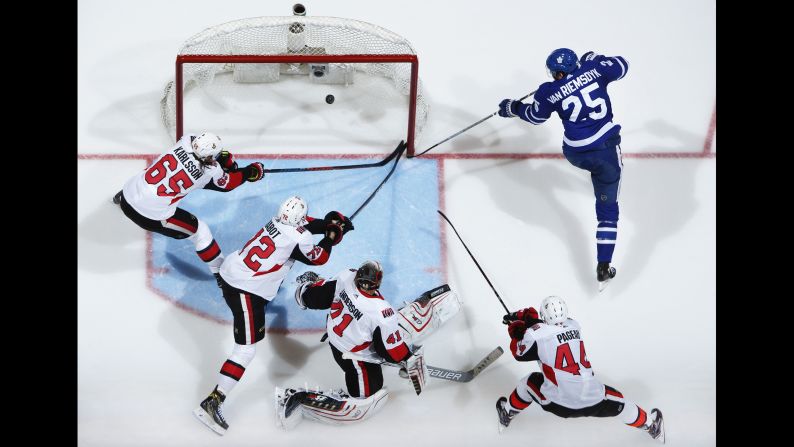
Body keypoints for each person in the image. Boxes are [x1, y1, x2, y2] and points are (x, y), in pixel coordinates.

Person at [192, 196, 353, 435]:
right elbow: (319, 257)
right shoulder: (302, 237)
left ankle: (216, 398)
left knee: (270, 283)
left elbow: (305, 223)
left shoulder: (276, 220)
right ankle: (213, 401)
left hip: (231, 271)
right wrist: (331, 236)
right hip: (245, 290)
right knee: (246, 350)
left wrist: (327, 224)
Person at [274, 261, 463, 429]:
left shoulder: (347, 275)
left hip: (335, 338)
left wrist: (306, 289)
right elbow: (388, 351)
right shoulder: (382, 312)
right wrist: (406, 358)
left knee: (387, 328)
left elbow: (316, 297)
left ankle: (403, 322)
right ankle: (296, 399)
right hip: (354, 357)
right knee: (367, 400)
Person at [498, 49, 629, 290]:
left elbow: (535, 117)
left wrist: (513, 107)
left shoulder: (548, 91)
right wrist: (596, 59)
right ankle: (603, 264)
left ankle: (593, 173)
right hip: (606, 152)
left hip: (575, 153)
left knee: (591, 166)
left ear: (557, 72)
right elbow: (623, 65)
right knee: (607, 209)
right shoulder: (595, 69)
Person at [495, 296, 665, 443]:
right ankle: (652, 427)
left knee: (527, 383)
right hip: (594, 399)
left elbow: (519, 352)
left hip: (557, 403)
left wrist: (517, 329)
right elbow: (548, 330)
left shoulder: (534, 335)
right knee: (623, 403)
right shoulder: (574, 325)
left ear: (542, 316)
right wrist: (530, 323)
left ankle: (507, 414)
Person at [113, 132, 264, 281]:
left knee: (150, 177)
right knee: (200, 232)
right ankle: (221, 275)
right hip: (148, 216)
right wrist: (251, 171)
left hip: (127, 194)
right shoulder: (207, 173)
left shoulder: (185, 141)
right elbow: (228, 184)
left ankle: (121, 199)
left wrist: (220, 160)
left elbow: (202, 156)